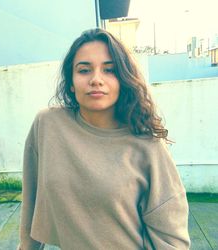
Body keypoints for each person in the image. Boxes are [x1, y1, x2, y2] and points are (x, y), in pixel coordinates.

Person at [19, 28, 190, 250]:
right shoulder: (48, 124)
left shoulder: (147, 145)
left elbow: (172, 237)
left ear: (123, 79)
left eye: (109, 70)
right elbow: (31, 202)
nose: (96, 80)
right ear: (71, 81)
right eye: (84, 70)